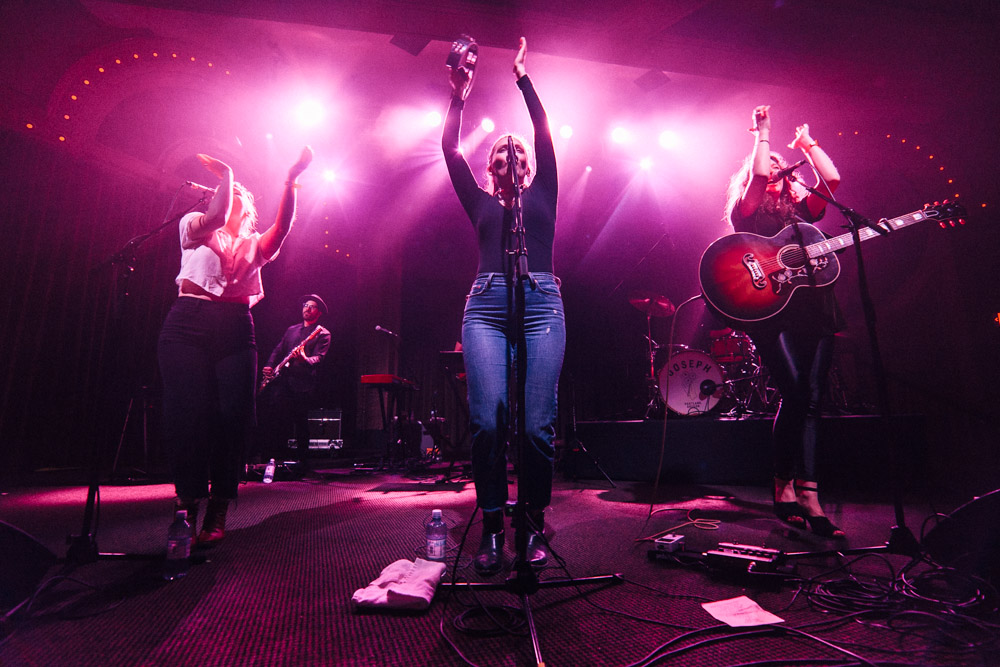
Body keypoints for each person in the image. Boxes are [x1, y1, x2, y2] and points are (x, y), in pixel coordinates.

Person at [443, 37, 565, 574]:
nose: (512, 155)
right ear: (491, 167)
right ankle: (493, 526)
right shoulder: (478, 202)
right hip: (486, 308)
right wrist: (459, 96)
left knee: (537, 426)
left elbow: (541, 133)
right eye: (502, 152)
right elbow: (449, 151)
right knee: (490, 421)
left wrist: (523, 79)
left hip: (542, 305)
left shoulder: (545, 194)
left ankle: (533, 523)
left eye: (517, 152)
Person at [158, 146, 313, 546]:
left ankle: (221, 502)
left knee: (234, 416)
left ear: (247, 213)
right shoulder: (196, 224)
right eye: (226, 196)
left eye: (239, 199)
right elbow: (214, 214)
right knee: (187, 414)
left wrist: (290, 179)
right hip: (186, 323)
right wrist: (226, 175)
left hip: (234, 328)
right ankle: (187, 500)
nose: (230, 201)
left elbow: (283, 227)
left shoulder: (253, 245)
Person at [724, 104, 845, 538]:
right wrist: (764, 134)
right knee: (794, 393)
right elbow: (758, 175)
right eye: (771, 160)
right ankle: (782, 482)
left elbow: (830, 181)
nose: (776, 166)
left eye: (780, 163)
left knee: (811, 398)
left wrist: (807, 145)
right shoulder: (750, 210)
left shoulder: (803, 217)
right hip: (769, 309)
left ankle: (808, 493)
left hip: (814, 305)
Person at [258, 294, 332, 459]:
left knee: (300, 423)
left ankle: (303, 462)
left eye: (312, 306)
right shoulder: (291, 330)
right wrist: (270, 365)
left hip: (303, 384)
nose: (307, 308)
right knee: (279, 420)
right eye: (306, 305)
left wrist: (304, 359)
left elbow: (319, 358)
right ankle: (276, 458)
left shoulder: (323, 333)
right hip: (283, 382)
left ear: (318, 312)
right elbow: (278, 349)